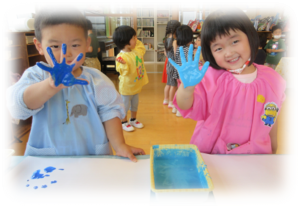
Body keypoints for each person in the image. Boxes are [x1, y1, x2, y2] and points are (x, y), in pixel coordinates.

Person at [5, 4, 145, 162]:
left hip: (92, 158)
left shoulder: (96, 79)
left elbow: (110, 113)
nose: (67, 53)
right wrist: (50, 85)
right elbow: (16, 107)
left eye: (75, 45)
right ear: (39, 46)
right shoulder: (35, 76)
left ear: (87, 44)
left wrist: (119, 145)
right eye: (55, 46)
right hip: (46, 161)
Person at [169, 7, 286, 154]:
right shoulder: (210, 77)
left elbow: (271, 118)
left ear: (250, 36)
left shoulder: (272, 79)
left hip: (257, 156)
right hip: (213, 154)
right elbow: (185, 106)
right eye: (218, 48)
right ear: (210, 52)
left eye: (235, 41)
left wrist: (273, 149)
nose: (229, 53)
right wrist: (187, 88)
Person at [113, 26, 149, 132]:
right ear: (126, 41)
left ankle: (133, 119)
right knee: (125, 105)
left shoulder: (135, 51)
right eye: (134, 38)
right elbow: (123, 71)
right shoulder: (121, 57)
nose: (136, 40)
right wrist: (123, 64)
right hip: (127, 87)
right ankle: (123, 121)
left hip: (135, 86)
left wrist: (135, 40)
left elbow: (142, 49)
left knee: (135, 104)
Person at [173, 25, 194, 117]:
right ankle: (179, 109)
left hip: (178, 73)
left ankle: (175, 107)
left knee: (179, 90)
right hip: (185, 75)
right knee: (183, 92)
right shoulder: (188, 49)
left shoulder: (179, 48)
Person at [164, 20, 181, 110]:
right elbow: (176, 53)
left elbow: (165, 53)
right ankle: (171, 102)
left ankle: (166, 100)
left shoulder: (166, 40)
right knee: (173, 85)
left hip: (168, 64)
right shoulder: (175, 41)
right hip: (174, 65)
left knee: (168, 84)